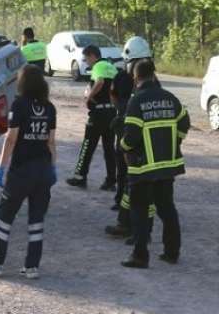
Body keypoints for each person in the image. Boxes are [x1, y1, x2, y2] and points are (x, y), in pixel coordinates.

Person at [0, 65, 57, 279]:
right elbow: (51, 142)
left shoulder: (19, 105)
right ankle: (32, 267)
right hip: (43, 171)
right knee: (36, 219)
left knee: (5, 215)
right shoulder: (50, 108)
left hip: (22, 171)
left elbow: (11, 139)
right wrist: (53, 168)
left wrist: (1, 167)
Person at [120, 60, 189, 268]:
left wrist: (123, 147)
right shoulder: (170, 98)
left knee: (140, 210)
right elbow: (184, 123)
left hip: (143, 166)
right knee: (167, 208)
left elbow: (131, 136)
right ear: (153, 75)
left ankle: (140, 256)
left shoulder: (136, 101)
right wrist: (174, 142)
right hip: (167, 165)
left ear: (135, 77)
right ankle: (172, 252)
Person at [105, 36, 156, 240]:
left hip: (132, 137)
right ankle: (129, 223)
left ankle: (134, 228)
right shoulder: (153, 79)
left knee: (132, 181)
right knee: (131, 183)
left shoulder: (129, 77)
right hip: (144, 140)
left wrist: (121, 114)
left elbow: (115, 96)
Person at [66, 45, 118, 190]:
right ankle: (111, 181)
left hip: (98, 114)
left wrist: (89, 96)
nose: (86, 62)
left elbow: (100, 81)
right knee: (109, 148)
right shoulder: (111, 67)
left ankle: (80, 177)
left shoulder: (98, 66)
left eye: (86, 58)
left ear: (92, 56)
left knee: (88, 145)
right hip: (112, 113)